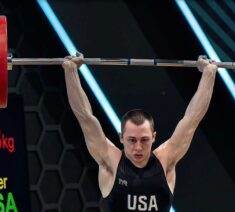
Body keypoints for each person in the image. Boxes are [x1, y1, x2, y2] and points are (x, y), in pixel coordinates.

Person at [62, 53, 217, 212]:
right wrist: (71, 71)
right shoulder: (111, 162)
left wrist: (209, 74)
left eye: (144, 140)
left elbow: (192, 120)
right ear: (121, 138)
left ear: (154, 137)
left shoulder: (165, 160)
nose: (138, 147)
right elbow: (85, 118)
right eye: (131, 140)